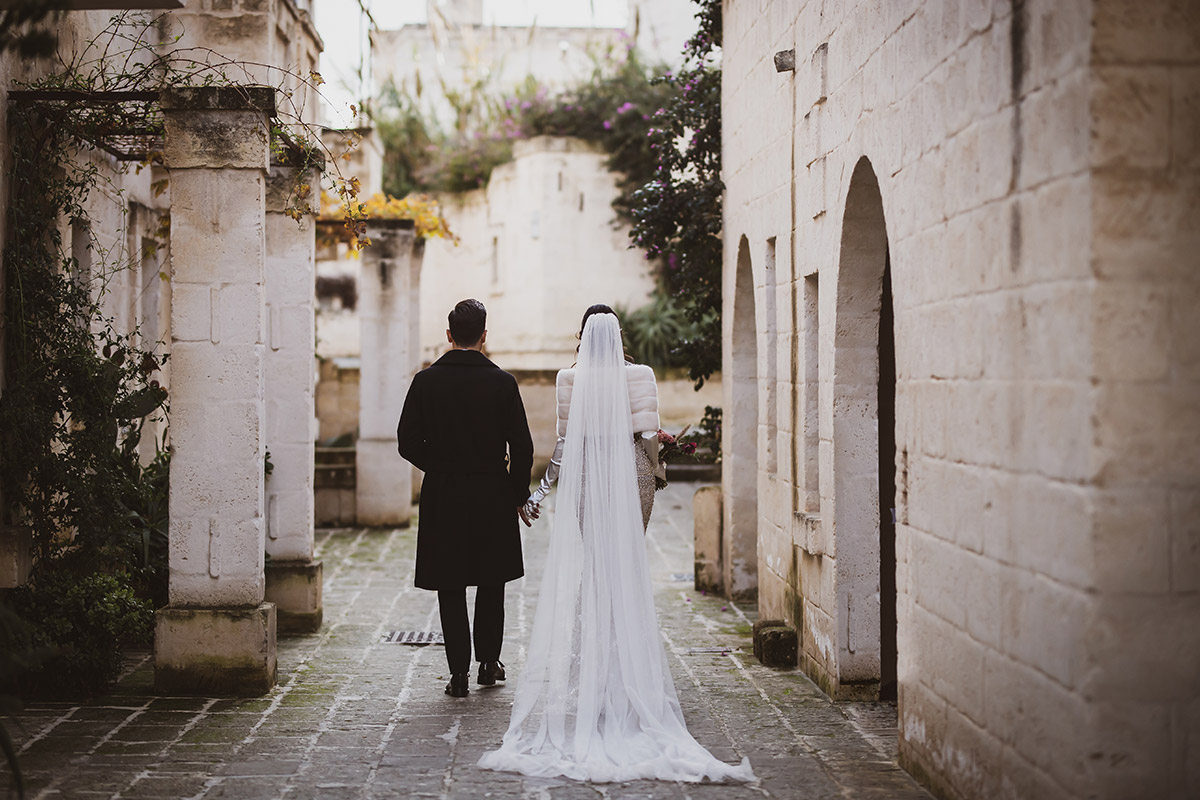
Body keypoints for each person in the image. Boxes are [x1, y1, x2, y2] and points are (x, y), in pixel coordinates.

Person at [477, 308, 755, 783]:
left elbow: (563, 445)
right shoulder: (642, 374)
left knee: (598, 566)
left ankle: (597, 676)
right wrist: (658, 471)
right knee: (624, 565)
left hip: (588, 471)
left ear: (581, 336)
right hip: (633, 473)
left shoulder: (568, 377)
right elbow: (648, 435)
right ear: (620, 335)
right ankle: (629, 675)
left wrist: (539, 493)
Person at [397, 298, 535, 699]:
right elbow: (522, 447)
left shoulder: (425, 382)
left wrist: (438, 466)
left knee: (450, 584)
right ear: (484, 336)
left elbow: (407, 442)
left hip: (444, 492)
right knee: (492, 581)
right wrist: (518, 492)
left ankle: (458, 672)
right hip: (492, 489)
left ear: (449, 335)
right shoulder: (503, 383)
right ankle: (488, 664)